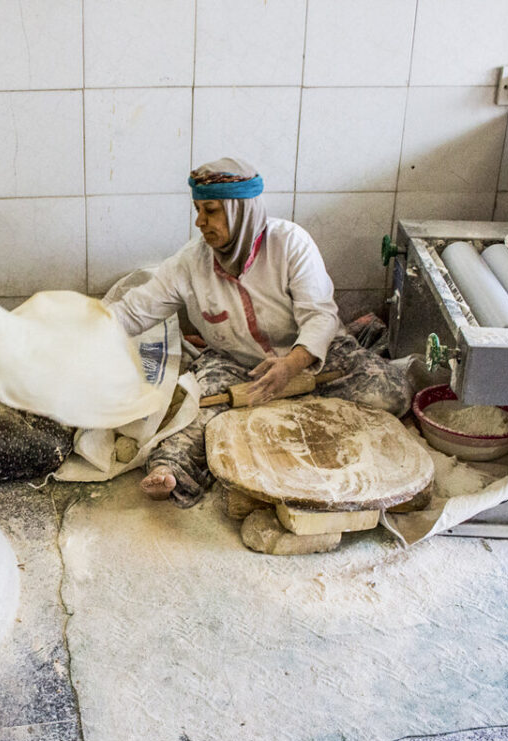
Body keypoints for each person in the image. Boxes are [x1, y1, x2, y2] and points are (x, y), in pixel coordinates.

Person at [108, 157, 411, 506]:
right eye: (197, 210)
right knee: (192, 414)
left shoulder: (290, 244)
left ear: (240, 210)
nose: (199, 222)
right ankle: (171, 469)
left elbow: (320, 316)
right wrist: (77, 330)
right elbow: (133, 311)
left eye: (210, 211)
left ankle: (292, 401)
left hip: (311, 359)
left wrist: (292, 366)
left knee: (392, 393)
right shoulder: (190, 264)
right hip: (237, 365)